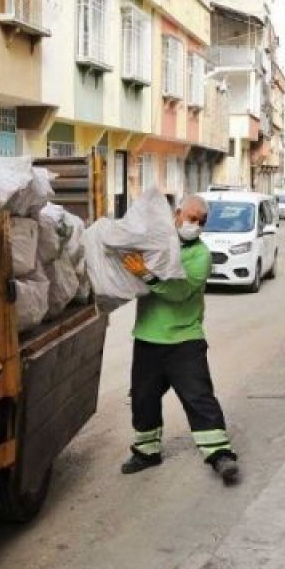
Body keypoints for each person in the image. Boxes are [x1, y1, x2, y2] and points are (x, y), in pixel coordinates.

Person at [119, 195, 240, 484]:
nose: (194, 225)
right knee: (143, 397)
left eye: (201, 221)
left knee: (198, 397)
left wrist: (147, 276)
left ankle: (219, 453)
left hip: (185, 339)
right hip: (148, 336)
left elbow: (179, 292)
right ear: (177, 214)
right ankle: (146, 451)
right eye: (191, 217)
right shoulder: (156, 246)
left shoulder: (201, 255)